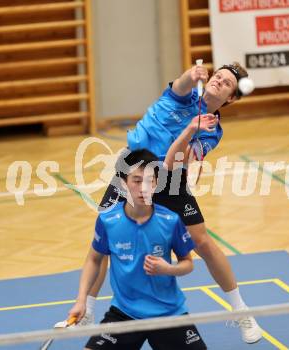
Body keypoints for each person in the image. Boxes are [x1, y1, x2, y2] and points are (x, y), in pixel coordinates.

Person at [64, 62, 262, 344]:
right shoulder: (183, 95)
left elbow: (173, 163)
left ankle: (242, 310)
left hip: (168, 176)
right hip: (133, 168)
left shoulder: (211, 130)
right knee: (106, 236)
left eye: (227, 83)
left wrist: (192, 131)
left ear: (230, 98)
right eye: (217, 76)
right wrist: (190, 75)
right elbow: (181, 84)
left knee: (202, 241)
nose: (218, 81)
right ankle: (87, 311)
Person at [68, 149, 207, 350]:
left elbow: (188, 264)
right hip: (125, 314)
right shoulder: (108, 221)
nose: (144, 188)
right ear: (123, 184)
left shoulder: (170, 220)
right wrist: (82, 301)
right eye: (137, 180)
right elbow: (93, 260)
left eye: (151, 181)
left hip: (168, 313)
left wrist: (168, 269)